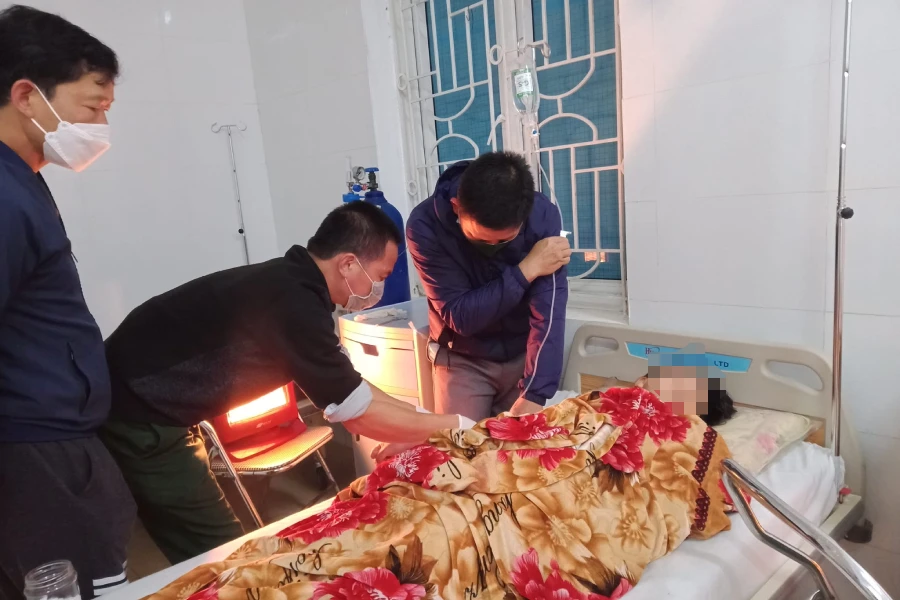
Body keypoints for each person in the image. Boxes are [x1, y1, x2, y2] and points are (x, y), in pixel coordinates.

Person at [100, 201, 471, 565]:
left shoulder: (294, 284)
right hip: (141, 413)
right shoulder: (293, 303)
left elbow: (352, 386)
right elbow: (357, 412)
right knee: (217, 554)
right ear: (347, 263)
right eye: (381, 275)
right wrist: (456, 426)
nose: (379, 288)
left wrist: (425, 421)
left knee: (217, 541)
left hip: (156, 399)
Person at [0, 6, 135, 598]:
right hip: (37, 452)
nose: (102, 125)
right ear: (28, 96)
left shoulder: (22, 179)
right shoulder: (3, 196)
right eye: (93, 106)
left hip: (53, 440)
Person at [407, 151, 572, 421]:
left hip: (521, 356)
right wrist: (527, 269)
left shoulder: (541, 216)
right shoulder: (425, 226)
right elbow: (460, 316)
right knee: (460, 443)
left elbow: (549, 308)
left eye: (504, 241)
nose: (493, 247)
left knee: (518, 444)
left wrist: (535, 392)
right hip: (462, 359)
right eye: (480, 239)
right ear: (456, 207)